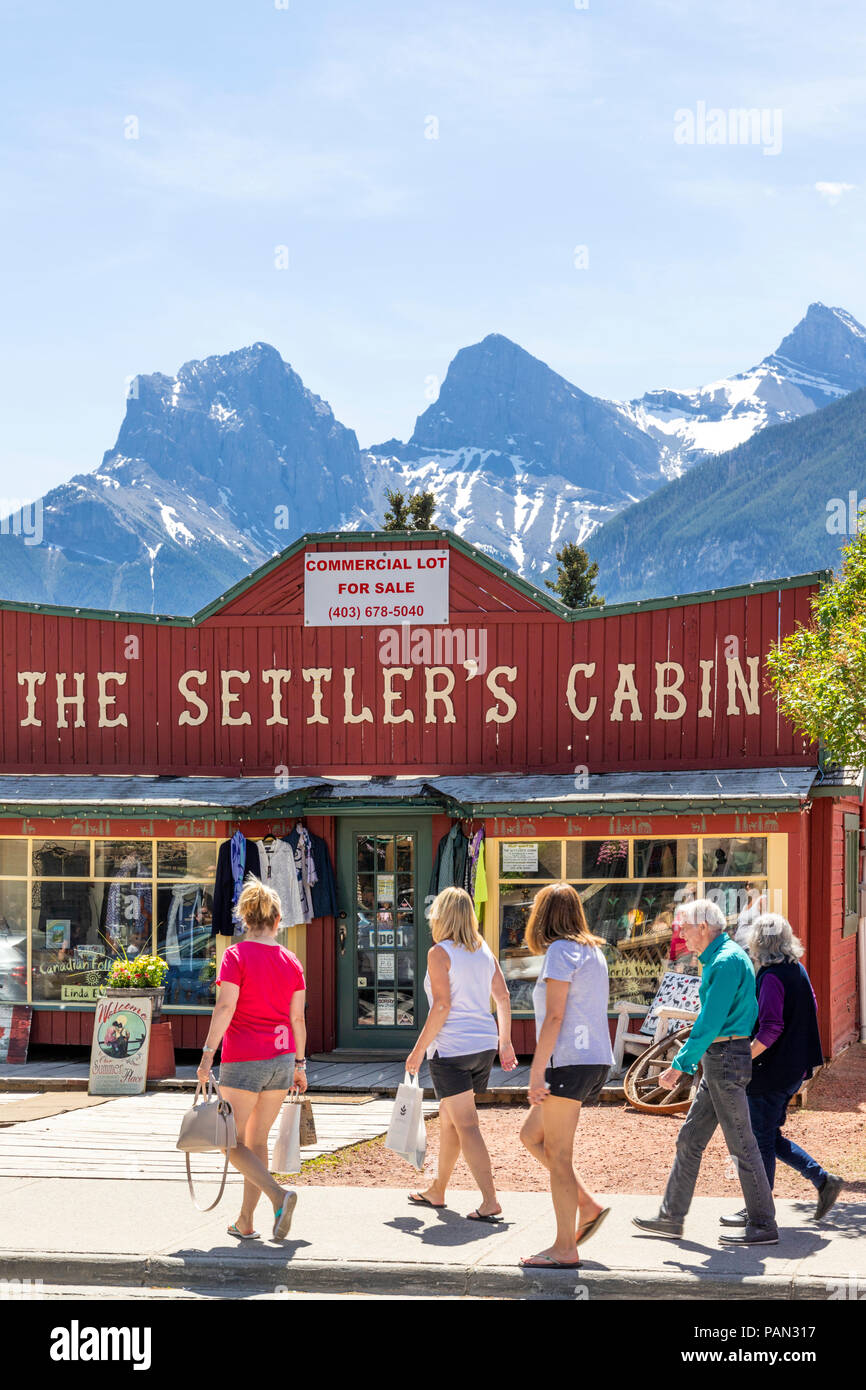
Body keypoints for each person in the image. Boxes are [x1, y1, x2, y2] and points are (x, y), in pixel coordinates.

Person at [633, 899, 778, 1246]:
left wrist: (680, 1064)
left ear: (703, 927)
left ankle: (763, 1224)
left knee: (741, 1143)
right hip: (722, 1057)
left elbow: (711, 1021)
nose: (681, 933)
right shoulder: (723, 957)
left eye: (685, 926)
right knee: (691, 1138)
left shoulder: (725, 961)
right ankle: (671, 1217)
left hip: (725, 1057)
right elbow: (712, 1022)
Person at [197, 878, 308, 1242]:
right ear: (278, 920)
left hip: (245, 1057)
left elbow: (226, 1006)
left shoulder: (236, 956)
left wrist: (206, 1055)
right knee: (255, 1142)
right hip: (282, 1058)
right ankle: (246, 1220)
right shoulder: (291, 960)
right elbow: (298, 1019)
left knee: (227, 1141)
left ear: (245, 919)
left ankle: (279, 1195)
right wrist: (300, 1064)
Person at [717, 914, 842, 1227]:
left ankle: (760, 1209)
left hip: (771, 1070)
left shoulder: (771, 976)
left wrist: (743, 1057)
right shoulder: (796, 969)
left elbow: (771, 1028)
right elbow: (810, 1008)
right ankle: (823, 1181)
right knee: (767, 1135)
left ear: (758, 942)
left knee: (760, 1140)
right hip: (793, 1067)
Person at [405, 886, 517, 1221]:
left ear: (442, 916)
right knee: (450, 1120)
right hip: (483, 1046)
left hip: (451, 1049)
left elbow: (441, 1005)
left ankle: (490, 1200)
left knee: (466, 1124)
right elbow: (504, 997)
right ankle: (438, 1189)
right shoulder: (484, 951)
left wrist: (418, 1050)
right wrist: (505, 1041)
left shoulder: (439, 953)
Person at [519, 883, 613, 1270]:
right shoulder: (592, 950)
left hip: (568, 1061)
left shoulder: (560, 951)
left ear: (543, 917)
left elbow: (555, 1016)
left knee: (558, 1155)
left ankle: (563, 1248)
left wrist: (537, 1070)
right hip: (593, 1058)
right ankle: (587, 1204)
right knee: (530, 1136)